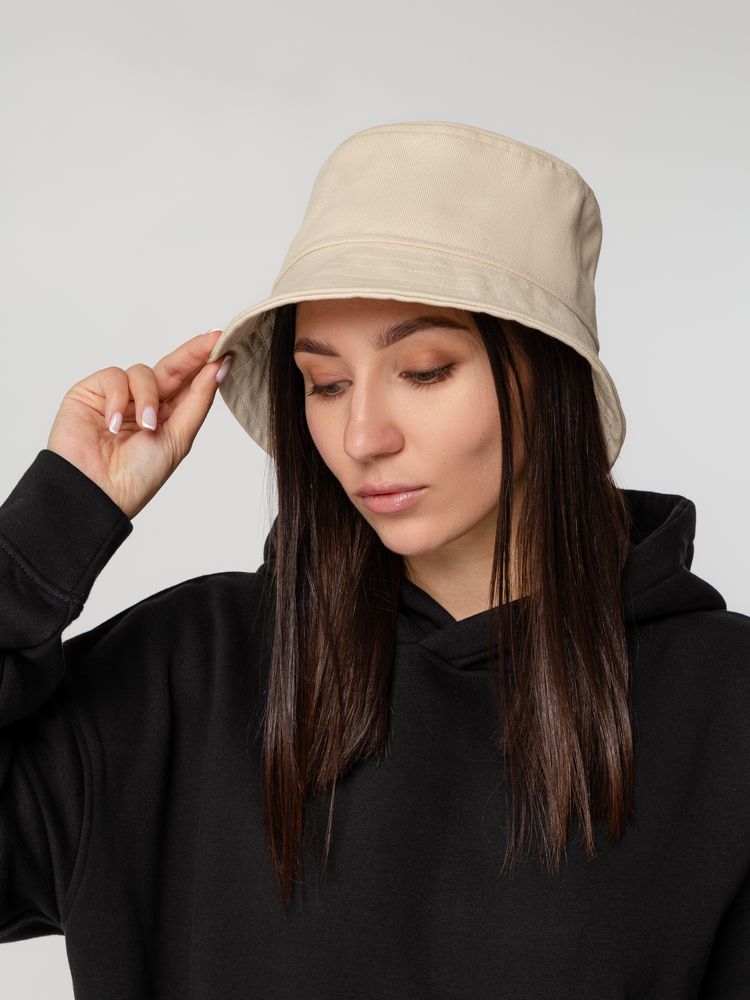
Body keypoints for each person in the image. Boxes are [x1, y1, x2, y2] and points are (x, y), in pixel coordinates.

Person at [1, 121, 748, 999]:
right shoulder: (189, 673)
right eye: (325, 384)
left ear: (550, 380)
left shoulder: (724, 707)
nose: (362, 437)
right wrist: (54, 523)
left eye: (424, 371)